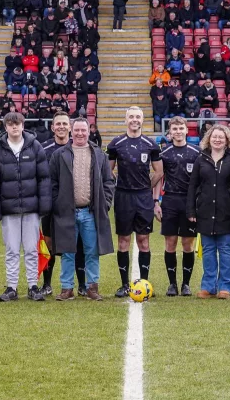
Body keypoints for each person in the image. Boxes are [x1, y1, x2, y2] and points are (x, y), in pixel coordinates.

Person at [0, 111, 52, 302]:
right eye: (10, 124)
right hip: (9, 209)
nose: (14, 127)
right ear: (5, 127)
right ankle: (11, 287)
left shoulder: (35, 146)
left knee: (31, 250)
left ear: (23, 125)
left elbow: (44, 178)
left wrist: (44, 205)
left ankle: (33, 286)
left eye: (17, 123)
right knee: (12, 250)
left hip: (31, 208)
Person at [48, 117, 115, 300]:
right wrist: (57, 203)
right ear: (71, 131)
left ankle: (92, 287)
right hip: (66, 212)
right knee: (67, 252)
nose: (79, 133)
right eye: (76, 130)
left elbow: (109, 181)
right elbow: (52, 183)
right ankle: (67, 288)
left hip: (90, 212)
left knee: (92, 251)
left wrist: (105, 203)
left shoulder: (99, 154)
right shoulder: (59, 155)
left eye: (83, 130)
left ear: (88, 131)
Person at [107, 106, 164, 297]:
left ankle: (144, 283)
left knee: (143, 240)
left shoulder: (151, 144)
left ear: (142, 120)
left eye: (138, 117)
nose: (134, 120)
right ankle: (124, 285)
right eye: (131, 116)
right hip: (123, 197)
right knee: (123, 241)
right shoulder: (116, 143)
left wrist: (147, 187)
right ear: (126, 120)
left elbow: (159, 171)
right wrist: (117, 183)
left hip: (143, 198)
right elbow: (108, 169)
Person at [186, 123, 230, 298]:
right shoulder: (200, 159)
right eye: (214, 137)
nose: (217, 139)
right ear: (209, 139)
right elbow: (193, 186)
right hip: (204, 211)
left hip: (227, 212)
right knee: (208, 250)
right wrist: (191, 210)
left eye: (221, 137)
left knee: (225, 250)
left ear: (227, 140)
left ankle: (226, 287)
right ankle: (209, 286)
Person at [41, 112, 87, 295]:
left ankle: (82, 284)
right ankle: (47, 284)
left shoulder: (78, 148)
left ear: (70, 127)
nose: (61, 127)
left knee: (78, 244)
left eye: (64, 124)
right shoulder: (43, 149)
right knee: (49, 244)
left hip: (73, 206)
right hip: (50, 206)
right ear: (52, 127)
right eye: (58, 124)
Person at [157, 116, 200, 296]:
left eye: (181, 128)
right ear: (170, 132)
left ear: (186, 130)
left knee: (187, 244)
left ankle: (186, 284)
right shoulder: (164, 153)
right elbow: (159, 177)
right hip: (170, 201)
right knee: (170, 242)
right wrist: (156, 202)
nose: (178, 131)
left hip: (189, 202)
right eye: (174, 129)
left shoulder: (196, 152)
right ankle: (172, 284)